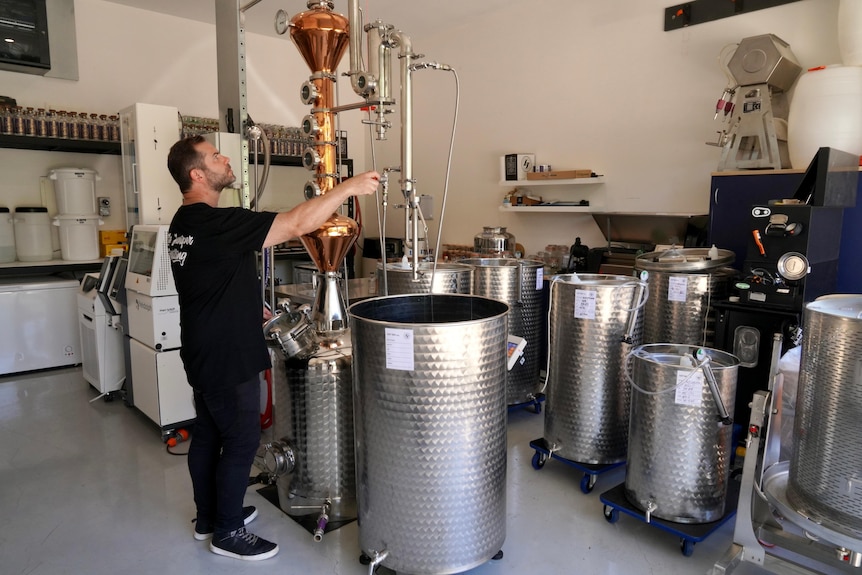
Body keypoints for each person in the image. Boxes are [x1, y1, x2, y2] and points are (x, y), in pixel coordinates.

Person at [166, 135, 379, 561]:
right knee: (242, 441)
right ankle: (227, 533)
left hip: (202, 346)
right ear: (196, 174)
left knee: (209, 433)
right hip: (228, 354)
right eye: (215, 156)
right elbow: (298, 224)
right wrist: (347, 188)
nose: (226, 159)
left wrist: (252, 306)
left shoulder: (183, 224)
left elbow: (213, 279)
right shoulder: (216, 221)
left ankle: (209, 517)